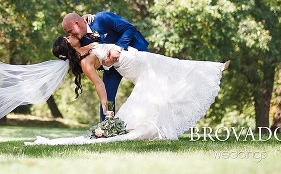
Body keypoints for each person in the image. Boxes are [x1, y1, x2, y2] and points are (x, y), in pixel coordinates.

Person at [25, 35, 230, 145]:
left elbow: (95, 33)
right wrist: (106, 108)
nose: (70, 35)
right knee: (167, 79)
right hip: (134, 65)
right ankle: (214, 69)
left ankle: (214, 67)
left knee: (173, 66)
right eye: (67, 37)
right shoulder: (86, 63)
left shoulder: (87, 46)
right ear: (68, 45)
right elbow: (99, 84)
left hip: (137, 57)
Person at [62, 12, 149, 119]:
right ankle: (106, 127)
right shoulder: (81, 42)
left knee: (148, 87)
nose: (70, 35)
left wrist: (118, 48)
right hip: (111, 67)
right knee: (107, 96)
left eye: (70, 31)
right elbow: (95, 60)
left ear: (77, 23)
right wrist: (105, 63)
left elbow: (130, 29)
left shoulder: (102, 19)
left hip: (135, 52)